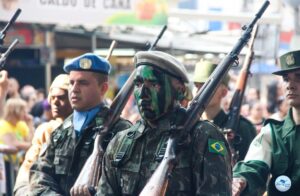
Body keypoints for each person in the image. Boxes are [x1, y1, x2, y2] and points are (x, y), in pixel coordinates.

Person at [97, 51, 232, 195]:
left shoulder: (202, 137)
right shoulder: (120, 142)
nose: (142, 93)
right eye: (138, 84)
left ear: (180, 90)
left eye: (153, 84)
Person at [29, 53, 132, 195]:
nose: (74, 89)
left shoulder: (121, 132)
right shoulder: (60, 132)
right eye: (71, 83)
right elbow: (39, 177)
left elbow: (128, 186)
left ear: (103, 88)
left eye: (83, 83)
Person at [232, 49, 300, 195]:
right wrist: (241, 180)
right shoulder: (272, 134)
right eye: (286, 79)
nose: (290, 85)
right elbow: (253, 166)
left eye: (299, 77)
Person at [14, 74, 73, 195]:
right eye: (52, 97)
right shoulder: (45, 130)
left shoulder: (86, 129)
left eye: (61, 97)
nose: (55, 102)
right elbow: (28, 167)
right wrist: (24, 192)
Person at [192, 59, 256, 162]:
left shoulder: (241, 128)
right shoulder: (189, 125)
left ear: (224, 92)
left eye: (207, 86)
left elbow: (249, 167)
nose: (199, 91)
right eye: (197, 86)